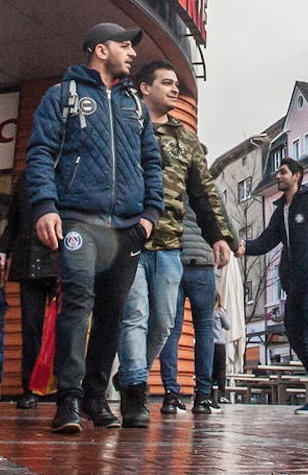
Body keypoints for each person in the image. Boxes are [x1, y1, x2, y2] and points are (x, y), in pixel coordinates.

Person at [24, 22, 162, 435]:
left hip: (126, 227)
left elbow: (152, 163)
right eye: (125, 45)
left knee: (111, 314)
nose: (132, 53)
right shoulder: (61, 95)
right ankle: (67, 400)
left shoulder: (134, 105)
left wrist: (149, 216)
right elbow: (40, 152)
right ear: (101, 50)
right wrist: (45, 207)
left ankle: (94, 397)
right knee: (77, 303)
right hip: (78, 219)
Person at [118, 59, 231, 419]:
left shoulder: (186, 139)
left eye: (176, 85)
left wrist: (219, 236)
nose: (175, 89)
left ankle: (130, 374)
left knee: (164, 323)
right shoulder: (124, 126)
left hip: (170, 243)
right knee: (135, 313)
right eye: (166, 83)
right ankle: (136, 391)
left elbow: (204, 192)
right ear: (144, 88)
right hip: (129, 238)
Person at [236, 158, 308, 415]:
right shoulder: (281, 209)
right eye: (278, 172)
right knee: (294, 334)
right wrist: (244, 247)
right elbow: (267, 240)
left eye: (283, 172)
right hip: (294, 285)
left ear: (297, 176)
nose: (278, 176)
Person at [0, 174, 55, 409]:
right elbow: (14, 220)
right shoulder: (25, 181)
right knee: (30, 326)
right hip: (28, 261)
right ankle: (31, 388)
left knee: (65, 326)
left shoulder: (70, 169)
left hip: (60, 259)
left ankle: (65, 387)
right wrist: (2, 249)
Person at [156, 216, 222, 414]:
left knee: (172, 330)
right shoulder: (206, 188)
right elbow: (220, 219)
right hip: (202, 264)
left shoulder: (171, 185)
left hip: (174, 261)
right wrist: (236, 245)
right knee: (204, 330)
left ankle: (170, 395)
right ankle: (203, 396)